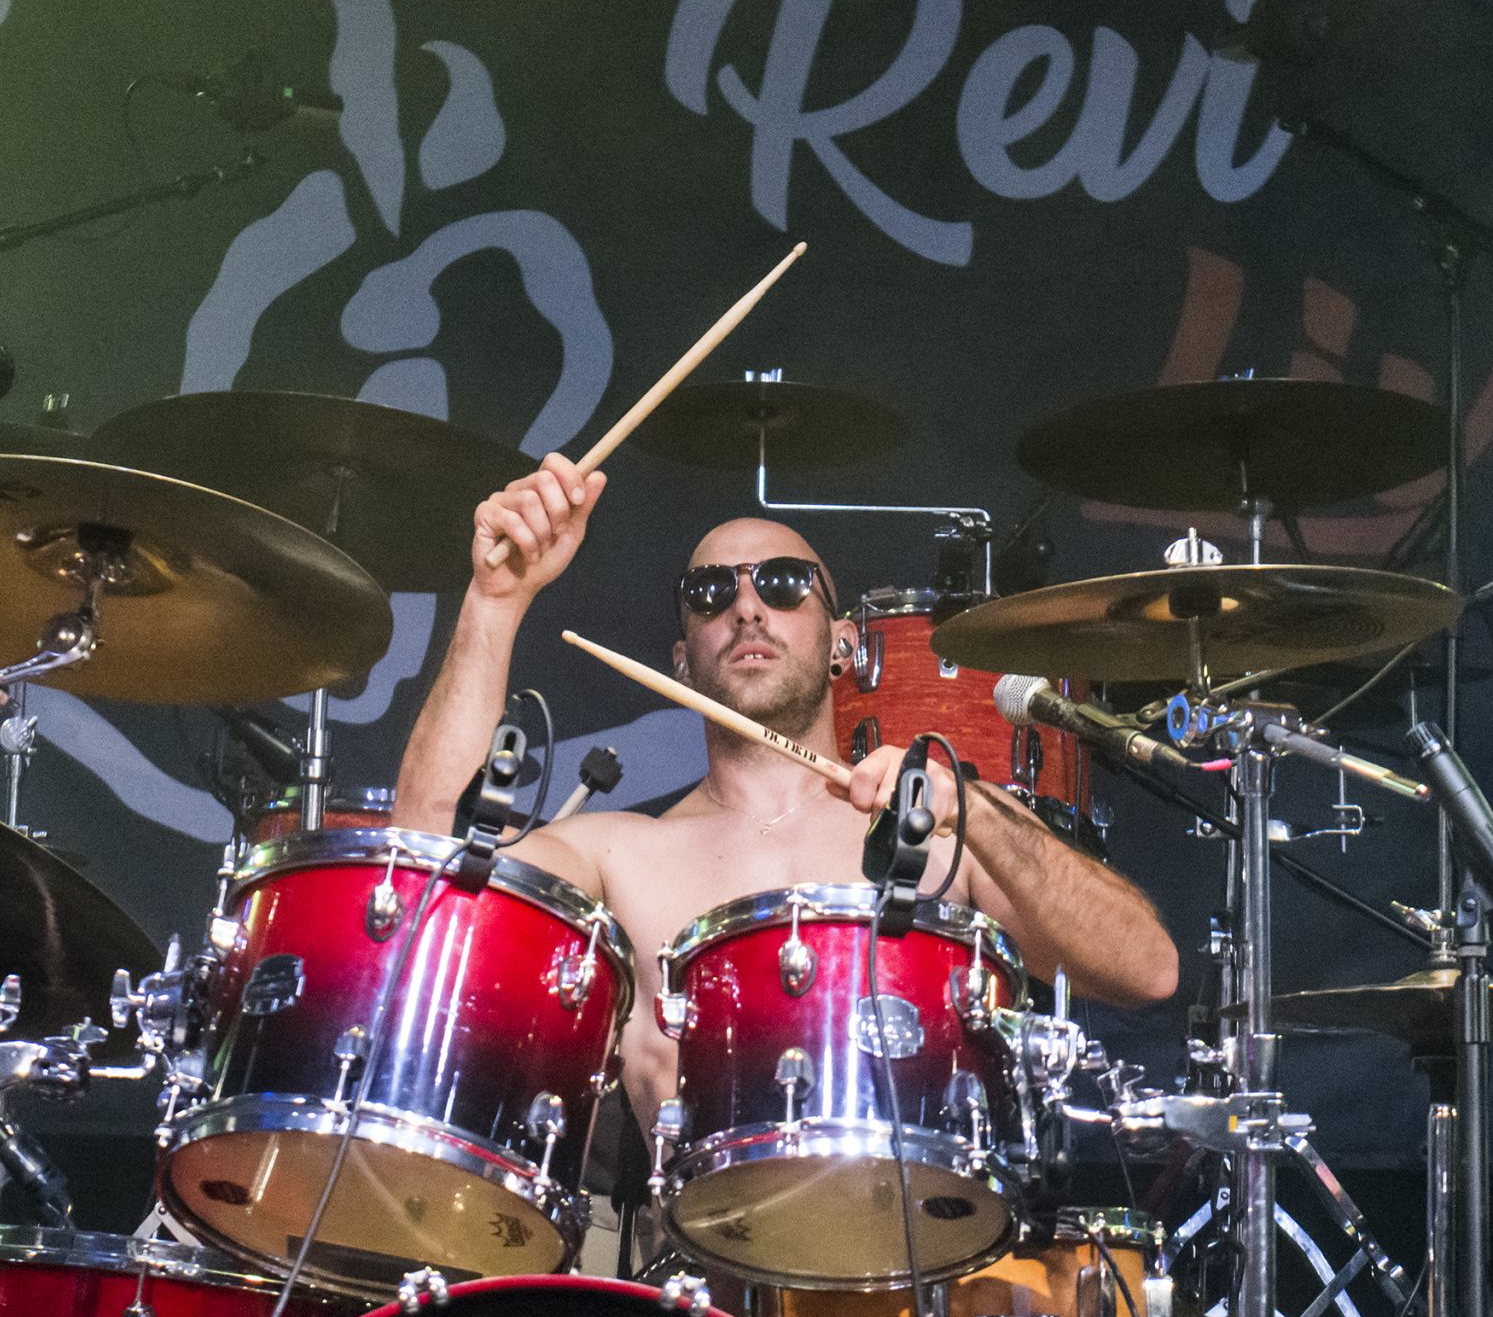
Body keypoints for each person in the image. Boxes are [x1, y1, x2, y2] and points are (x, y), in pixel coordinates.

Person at [395, 452, 1183, 1129]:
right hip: (703, 1251)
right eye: (711, 592)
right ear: (682, 660)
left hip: (921, 1247)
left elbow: (1147, 969)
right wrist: (495, 602)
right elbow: (427, 883)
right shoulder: (618, 855)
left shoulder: (943, 823)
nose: (747, 607)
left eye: (782, 584)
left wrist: (978, 812)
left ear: (843, 645)